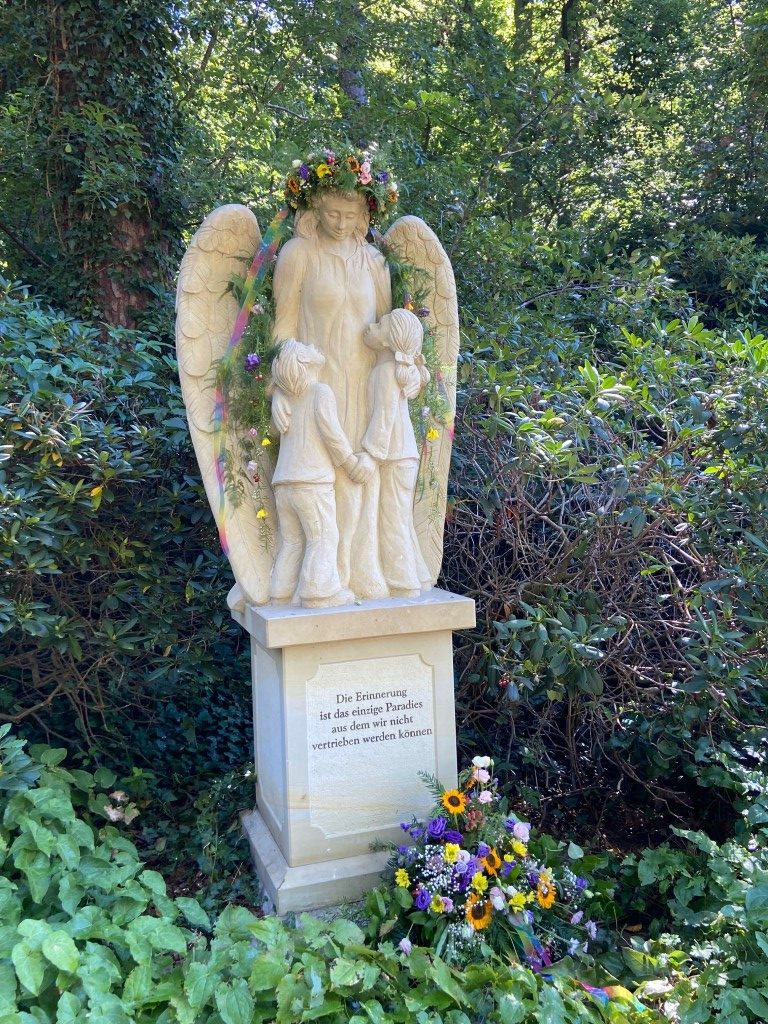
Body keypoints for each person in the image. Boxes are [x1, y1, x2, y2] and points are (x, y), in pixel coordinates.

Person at [271, 188, 392, 599]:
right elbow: (283, 327)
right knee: (321, 482)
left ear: (364, 214)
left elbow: (389, 331)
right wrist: (282, 388)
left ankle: (361, 569)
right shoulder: (298, 254)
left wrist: (404, 373)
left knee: (361, 475)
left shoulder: (374, 262)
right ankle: (323, 579)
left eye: (350, 215)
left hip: (365, 384)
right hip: (313, 387)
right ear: (315, 209)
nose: (341, 223)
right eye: (333, 213)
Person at [268, 340, 371, 607]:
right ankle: (319, 593)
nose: (313, 346)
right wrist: (350, 464)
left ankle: (280, 593)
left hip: (283, 483)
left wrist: (277, 391)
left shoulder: (284, 398)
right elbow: (332, 435)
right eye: (305, 348)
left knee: (291, 541)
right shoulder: (319, 392)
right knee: (323, 536)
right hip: (311, 481)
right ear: (304, 362)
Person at [359, 309, 432, 597]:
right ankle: (419, 575)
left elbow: (384, 416)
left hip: (392, 455)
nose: (370, 326)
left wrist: (370, 454)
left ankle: (402, 582)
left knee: (392, 519)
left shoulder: (385, 372)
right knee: (400, 518)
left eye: (379, 325)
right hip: (402, 455)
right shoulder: (392, 371)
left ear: (389, 341)